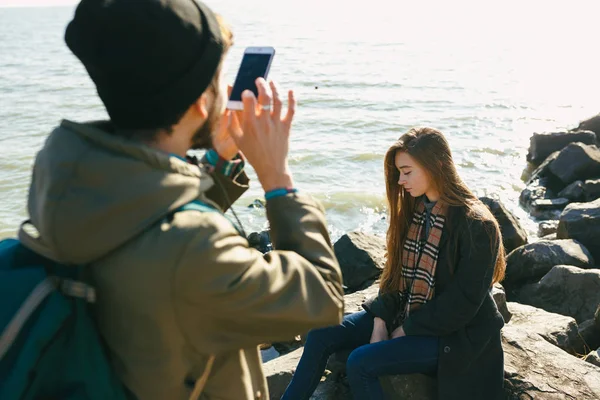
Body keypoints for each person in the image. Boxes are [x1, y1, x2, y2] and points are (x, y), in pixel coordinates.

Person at [17, 1, 344, 399]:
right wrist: (278, 180)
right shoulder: (194, 248)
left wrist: (218, 163)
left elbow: (147, 225)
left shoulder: (67, 185)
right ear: (199, 102)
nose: (227, 93)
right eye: (218, 81)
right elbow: (321, 299)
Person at [282, 127, 506, 400]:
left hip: (456, 336)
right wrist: (380, 321)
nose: (400, 180)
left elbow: (463, 303)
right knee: (320, 334)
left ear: (436, 165)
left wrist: (405, 330)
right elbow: (394, 276)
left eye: (407, 171)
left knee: (360, 362)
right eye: (399, 172)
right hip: (407, 310)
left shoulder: (477, 225)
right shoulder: (415, 210)